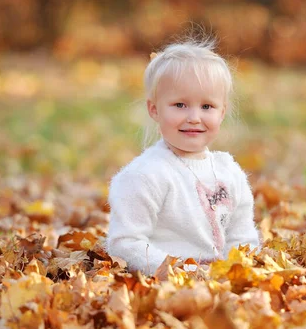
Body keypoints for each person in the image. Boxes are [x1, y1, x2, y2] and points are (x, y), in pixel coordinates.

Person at [105, 37, 260, 278]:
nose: (194, 117)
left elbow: (242, 236)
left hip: (219, 284)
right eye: (180, 105)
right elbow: (125, 243)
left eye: (207, 106)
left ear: (222, 112)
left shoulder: (229, 171)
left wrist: (236, 271)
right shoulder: (144, 175)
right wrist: (179, 272)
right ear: (154, 109)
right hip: (164, 284)